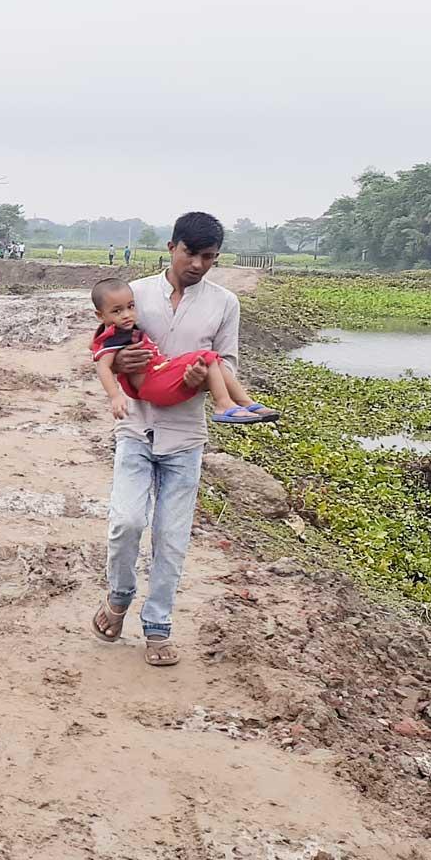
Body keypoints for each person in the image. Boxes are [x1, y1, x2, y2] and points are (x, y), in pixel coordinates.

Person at [93, 212, 239, 667]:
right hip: (137, 428)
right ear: (172, 247)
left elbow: (229, 366)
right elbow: (103, 350)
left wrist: (203, 377)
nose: (198, 264)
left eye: (208, 257)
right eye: (190, 253)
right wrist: (119, 367)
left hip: (186, 436)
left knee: (171, 537)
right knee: (127, 521)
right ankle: (118, 597)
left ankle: (157, 627)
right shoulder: (133, 295)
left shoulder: (224, 303)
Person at [88, 277, 276, 425]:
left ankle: (246, 402)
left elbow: (95, 348)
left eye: (130, 307)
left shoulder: (122, 330)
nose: (127, 315)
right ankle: (223, 404)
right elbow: (102, 366)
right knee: (207, 357)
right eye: (117, 311)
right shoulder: (113, 336)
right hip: (153, 382)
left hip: (160, 374)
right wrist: (115, 396)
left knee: (214, 360)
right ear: (100, 315)